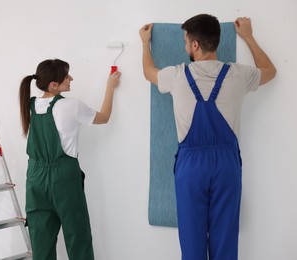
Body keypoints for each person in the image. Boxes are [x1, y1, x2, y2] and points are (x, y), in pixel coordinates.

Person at [139, 14, 276, 260]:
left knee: (192, 242)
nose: (184, 46)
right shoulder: (238, 74)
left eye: (185, 40)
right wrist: (248, 36)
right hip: (226, 165)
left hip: (191, 166)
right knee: (225, 240)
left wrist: (144, 43)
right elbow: (270, 71)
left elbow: (148, 72)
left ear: (194, 45)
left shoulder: (177, 75)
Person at [18, 59, 121, 260]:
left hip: (34, 180)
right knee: (78, 238)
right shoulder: (70, 105)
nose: (71, 78)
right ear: (53, 85)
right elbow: (104, 117)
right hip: (63, 179)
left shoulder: (30, 105)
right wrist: (110, 87)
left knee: (41, 241)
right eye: (66, 76)